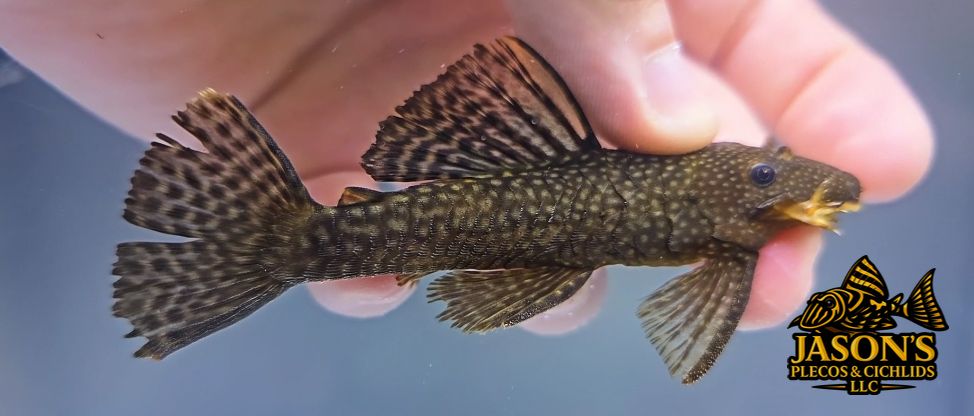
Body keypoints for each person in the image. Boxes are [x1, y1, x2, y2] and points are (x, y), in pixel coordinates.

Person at [0, 0, 932, 334]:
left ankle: (276, 247)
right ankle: (281, 247)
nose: (790, 181)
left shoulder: (735, 233)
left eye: (776, 180)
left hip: (516, 174)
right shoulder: (725, 224)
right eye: (768, 173)